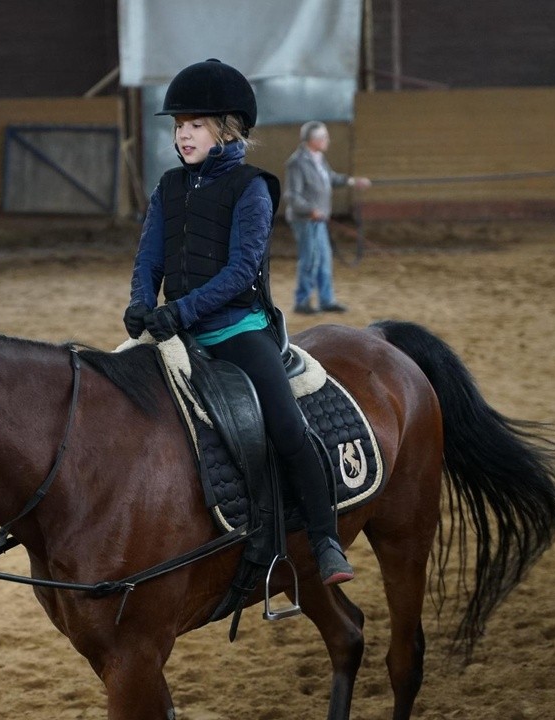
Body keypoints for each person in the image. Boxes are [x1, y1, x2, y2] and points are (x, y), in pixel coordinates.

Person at [122, 59, 354, 586]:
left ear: (227, 129)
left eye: (196, 124)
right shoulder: (168, 187)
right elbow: (149, 257)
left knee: (286, 426)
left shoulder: (252, 188)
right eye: (179, 125)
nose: (183, 133)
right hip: (173, 332)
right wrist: (140, 303)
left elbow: (241, 269)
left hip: (236, 329)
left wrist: (179, 310)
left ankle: (324, 539)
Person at [284, 121, 371, 315]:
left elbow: (330, 178)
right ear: (313, 140)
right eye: (324, 137)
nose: (327, 140)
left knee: (324, 259)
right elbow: (292, 195)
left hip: (319, 220)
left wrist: (352, 182)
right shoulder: (297, 163)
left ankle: (326, 300)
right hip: (305, 220)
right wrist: (310, 210)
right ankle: (302, 301)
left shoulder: (319, 159)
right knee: (310, 259)